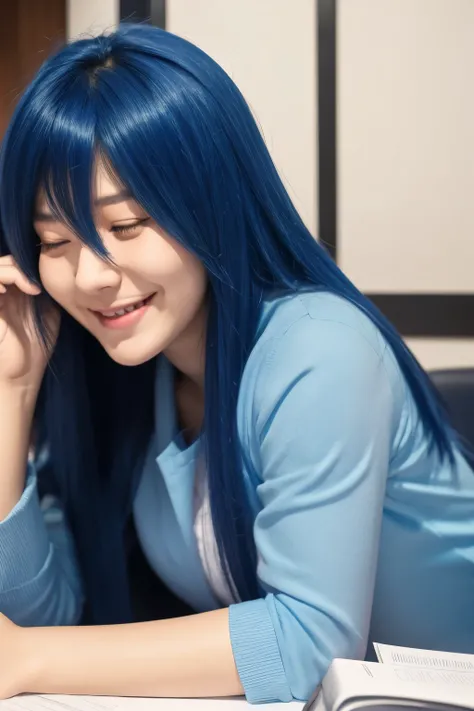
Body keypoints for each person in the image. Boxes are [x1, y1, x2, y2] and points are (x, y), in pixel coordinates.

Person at [0, 23, 473, 705]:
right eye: (54, 239)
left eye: (127, 225)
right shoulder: (128, 374)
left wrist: (29, 659)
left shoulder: (317, 348)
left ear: (211, 205)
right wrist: (12, 392)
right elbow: (43, 616)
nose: (91, 274)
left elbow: (308, 639)